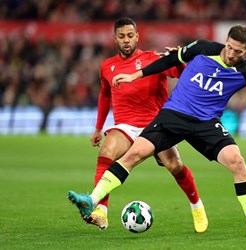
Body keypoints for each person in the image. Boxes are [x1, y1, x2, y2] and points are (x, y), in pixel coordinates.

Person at [68, 24, 246, 238]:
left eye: (239, 52)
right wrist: (134, 76)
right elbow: (169, 60)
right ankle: (91, 201)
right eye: (230, 48)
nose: (232, 55)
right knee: (134, 154)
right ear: (226, 42)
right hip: (174, 114)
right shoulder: (204, 47)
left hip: (206, 123)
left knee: (237, 161)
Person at [74, 17, 208, 233]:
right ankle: (101, 211)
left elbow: (184, 76)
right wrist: (99, 128)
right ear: (115, 39)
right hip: (126, 125)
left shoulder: (153, 58)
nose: (126, 40)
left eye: (130, 35)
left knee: (174, 166)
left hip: (156, 124)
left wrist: (180, 61)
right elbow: (105, 95)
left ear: (137, 37)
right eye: (121, 36)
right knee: (106, 151)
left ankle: (197, 206)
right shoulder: (107, 66)